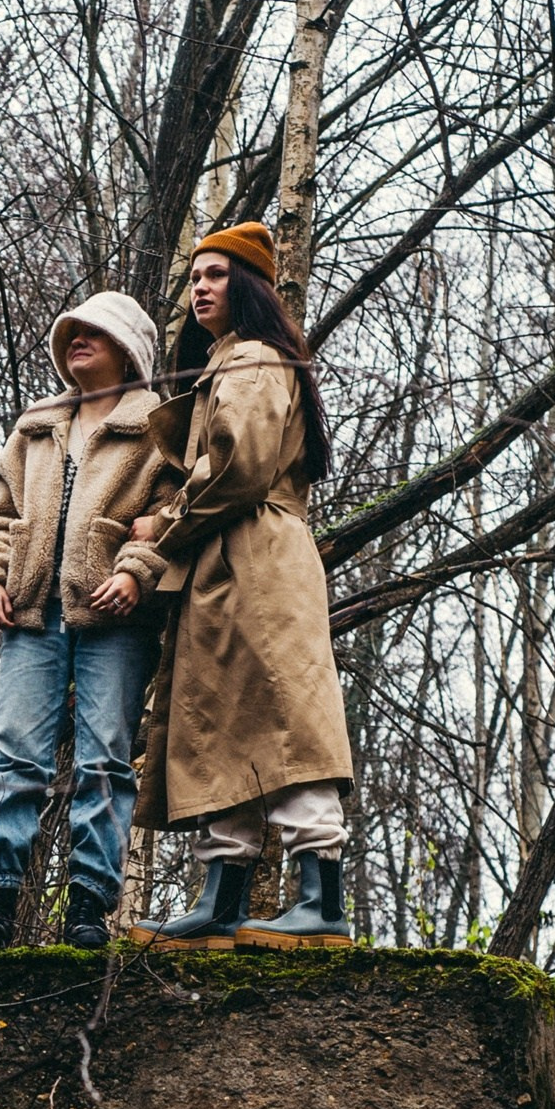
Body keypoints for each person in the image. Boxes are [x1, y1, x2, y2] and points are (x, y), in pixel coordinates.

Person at [113, 222, 355, 950]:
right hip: (223, 564)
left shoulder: (252, 359)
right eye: (195, 277)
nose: (200, 287)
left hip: (257, 560)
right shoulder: (231, 361)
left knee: (285, 719)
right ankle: (220, 900)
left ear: (247, 287)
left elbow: (237, 469)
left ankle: (321, 901)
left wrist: (164, 525)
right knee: (224, 727)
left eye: (217, 275)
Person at [0, 291, 178, 949]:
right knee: (15, 757)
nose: (77, 340)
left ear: (127, 351)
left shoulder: (155, 425)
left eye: (94, 333)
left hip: (116, 620)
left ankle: (88, 909)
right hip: (30, 615)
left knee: (105, 760)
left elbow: (171, 514)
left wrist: (135, 570)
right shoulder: (36, 424)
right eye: (71, 332)